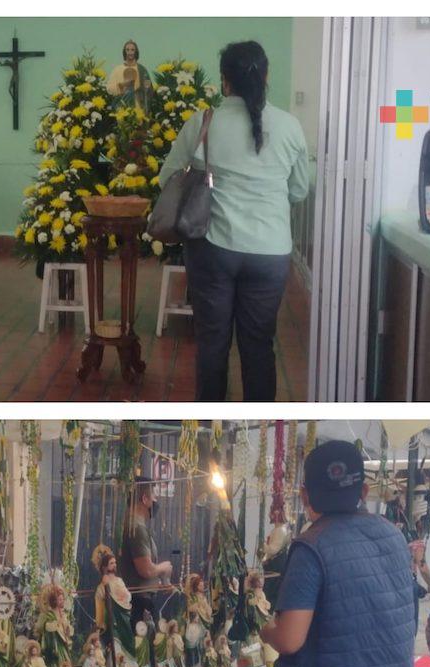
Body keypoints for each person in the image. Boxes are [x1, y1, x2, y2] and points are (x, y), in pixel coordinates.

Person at [261, 440, 415, 667]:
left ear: (304, 497)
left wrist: (264, 627)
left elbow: (290, 639)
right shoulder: (394, 536)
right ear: (363, 491)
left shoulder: (311, 546)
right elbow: (406, 618)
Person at [159, 41, 310, 402]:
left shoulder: (202, 123)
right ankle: (256, 428)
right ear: (266, 76)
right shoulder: (290, 127)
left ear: (225, 80)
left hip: (212, 249)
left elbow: (167, 178)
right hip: (270, 253)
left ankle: (209, 426)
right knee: (259, 346)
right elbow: (300, 190)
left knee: (213, 343)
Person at [119, 478, 173, 630]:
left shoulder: (134, 525)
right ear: (144, 499)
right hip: (139, 602)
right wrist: (164, 567)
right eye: (154, 497)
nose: (156, 502)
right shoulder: (136, 528)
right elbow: (146, 570)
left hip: (140, 599)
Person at [106, 40, 152, 110]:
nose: (130, 52)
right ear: (124, 52)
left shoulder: (142, 70)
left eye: (132, 50)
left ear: (136, 52)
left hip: (138, 108)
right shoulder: (117, 69)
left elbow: (149, 90)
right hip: (121, 108)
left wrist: (141, 90)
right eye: (127, 50)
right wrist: (121, 85)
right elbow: (109, 88)